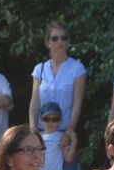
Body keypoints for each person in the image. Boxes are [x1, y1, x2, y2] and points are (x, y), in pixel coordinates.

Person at [30, 23, 87, 162]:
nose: (60, 41)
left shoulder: (77, 68)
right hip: (42, 131)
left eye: (63, 37)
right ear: (48, 42)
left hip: (64, 131)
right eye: (55, 38)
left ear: (68, 42)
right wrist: (32, 129)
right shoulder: (40, 69)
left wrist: (69, 131)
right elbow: (35, 100)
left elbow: (77, 102)